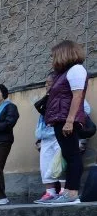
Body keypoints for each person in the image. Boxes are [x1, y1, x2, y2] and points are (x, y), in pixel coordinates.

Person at [42, 39, 89, 205]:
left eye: (54, 55)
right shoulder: (63, 73)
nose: (52, 59)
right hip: (60, 120)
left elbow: (77, 96)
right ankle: (68, 192)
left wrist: (69, 121)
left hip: (67, 120)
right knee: (69, 156)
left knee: (73, 156)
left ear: (64, 53)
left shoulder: (76, 69)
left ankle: (72, 193)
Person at [34, 72, 92, 203]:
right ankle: (50, 192)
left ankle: (63, 191)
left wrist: (68, 119)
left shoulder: (69, 93)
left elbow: (85, 110)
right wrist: (38, 138)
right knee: (46, 165)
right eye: (46, 83)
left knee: (61, 163)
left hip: (61, 134)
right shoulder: (47, 98)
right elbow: (42, 121)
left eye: (50, 83)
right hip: (46, 137)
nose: (47, 85)